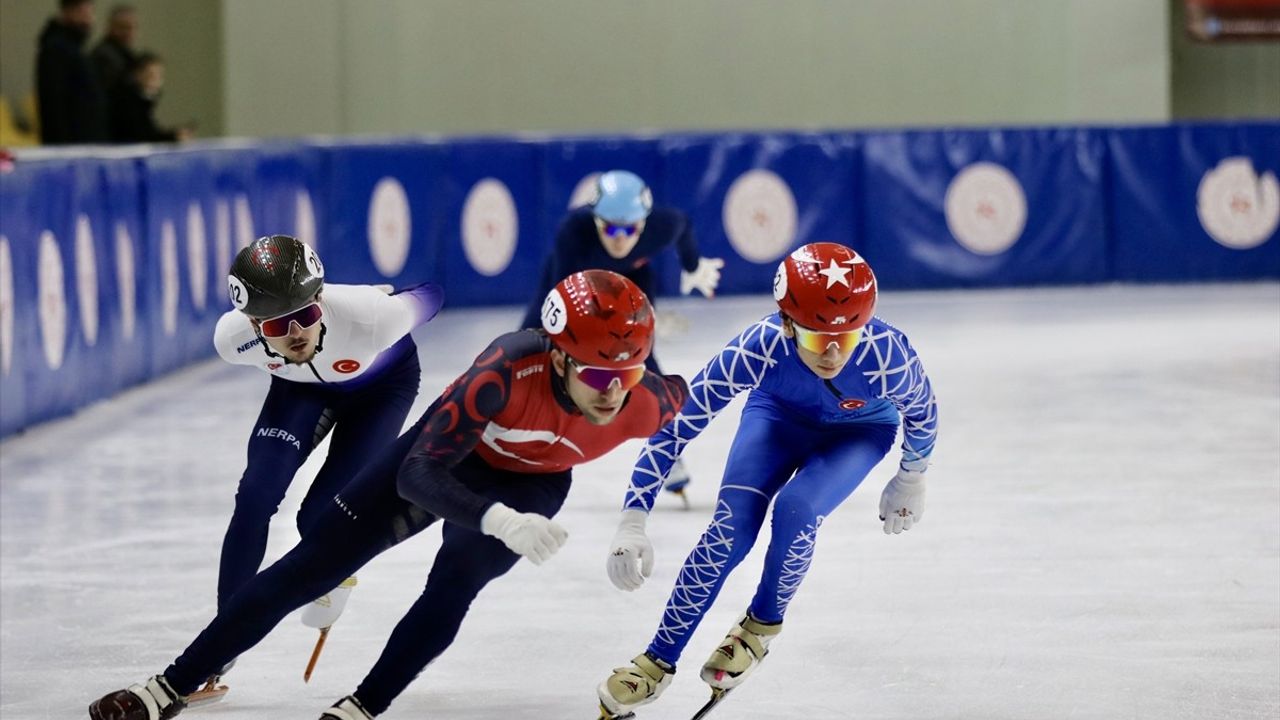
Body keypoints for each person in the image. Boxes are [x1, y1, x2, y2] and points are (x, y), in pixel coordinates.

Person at [88, 269, 689, 720]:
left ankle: (359, 709)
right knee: (312, 564)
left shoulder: (646, 401)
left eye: (627, 373)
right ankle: (168, 687)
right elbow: (417, 476)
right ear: (558, 355)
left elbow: (706, 394)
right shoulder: (505, 370)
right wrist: (499, 521)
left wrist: (634, 520)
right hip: (444, 457)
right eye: (596, 373)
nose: (611, 392)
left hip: (533, 482)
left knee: (455, 582)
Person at [595, 242, 939, 719]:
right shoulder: (758, 347)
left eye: (849, 338)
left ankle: (759, 628)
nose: (835, 354)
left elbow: (923, 413)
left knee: (798, 510)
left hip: (859, 432)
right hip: (777, 418)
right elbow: (675, 427)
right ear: (786, 324)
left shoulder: (885, 353)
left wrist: (912, 475)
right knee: (729, 529)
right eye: (818, 340)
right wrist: (633, 518)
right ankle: (657, 660)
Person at [204, 235, 442, 696]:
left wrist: (393, 295)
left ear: (320, 298)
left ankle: (340, 569)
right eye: (275, 327)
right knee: (255, 497)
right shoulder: (231, 341)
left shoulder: (375, 317)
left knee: (318, 520)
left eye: (307, 315)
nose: (295, 334)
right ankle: (219, 644)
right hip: (301, 391)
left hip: (382, 390)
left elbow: (433, 292)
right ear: (252, 324)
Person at [520, 169, 723, 499]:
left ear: (644, 223)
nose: (620, 237)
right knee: (532, 344)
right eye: (610, 227)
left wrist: (693, 265)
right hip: (574, 280)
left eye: (630, 229)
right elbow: (562, 303)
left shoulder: (662, 226)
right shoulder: (572, 233)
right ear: (595, 220)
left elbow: (684, 225)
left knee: (643, 357)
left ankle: (667, 453)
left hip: (634, 278)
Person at [36, 0, 109, 144]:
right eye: (84, 13)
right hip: (72, 146)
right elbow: (54, 103)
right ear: (67, 12)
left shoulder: (75, 49)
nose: (89, 19)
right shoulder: (56, 49)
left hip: (87, 142)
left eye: (91, 13)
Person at [108, 52, 190, 143]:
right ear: (137, 75)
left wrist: (172, 135)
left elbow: (149, 130)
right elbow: (141, 135)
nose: (155, 81)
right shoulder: (126, 101)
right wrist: (172, 137)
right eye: (150, 75)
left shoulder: (144, 102)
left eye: (159, 76)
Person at [90, 3, 138, 96]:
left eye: (132, 27)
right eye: (122, 27)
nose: (128, 32)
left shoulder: (127, 56)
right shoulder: (103, 57)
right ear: (109, 27)